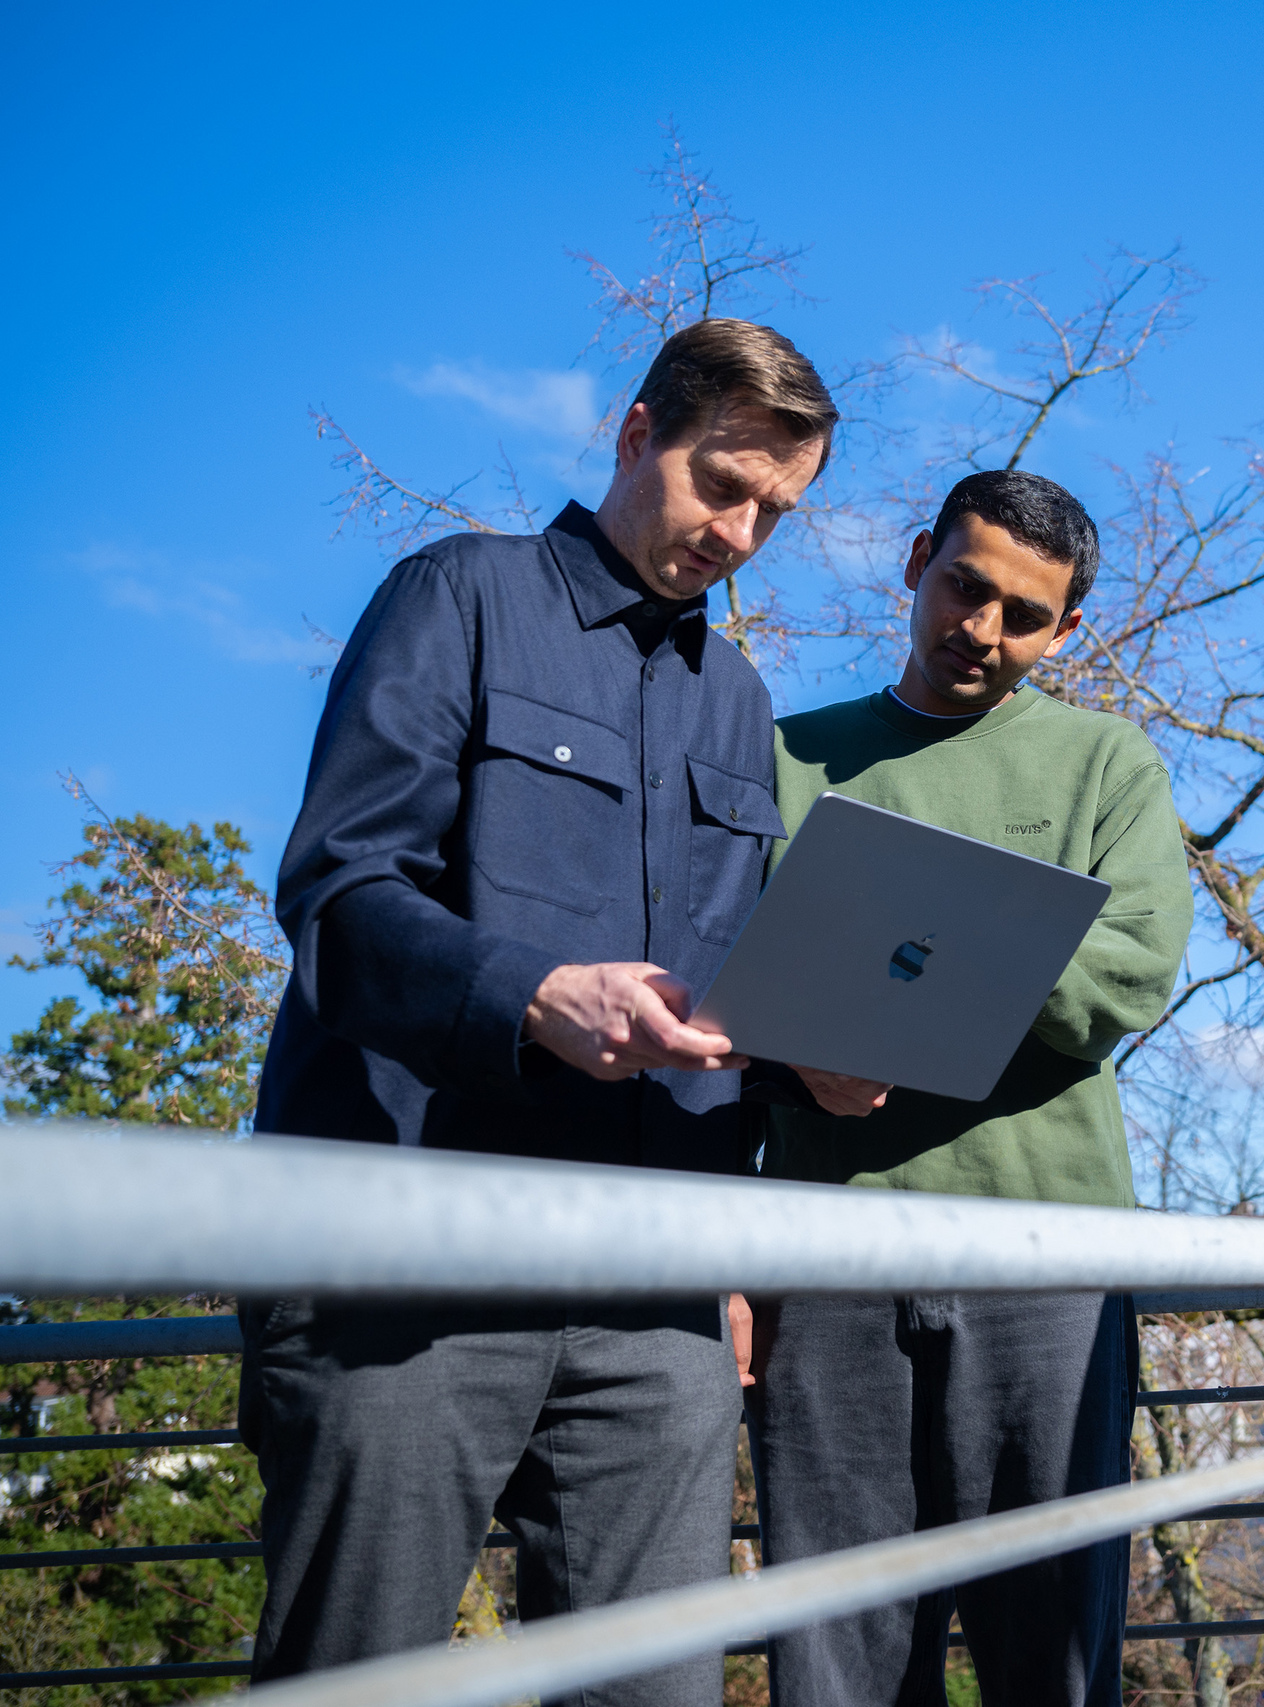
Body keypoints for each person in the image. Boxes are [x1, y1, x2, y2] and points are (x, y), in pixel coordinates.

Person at [244, 318, 836, 1701]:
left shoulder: (740, 701)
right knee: (359, 1681)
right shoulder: (454, 594)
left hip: (653, 1299)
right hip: (402, 1264)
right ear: (639, 435)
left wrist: (810, 1076)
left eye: (776, 511)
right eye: (721, 485)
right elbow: (338, 892)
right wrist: (528, 992)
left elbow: (721, 998)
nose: (742, 534)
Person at [744, 469, 1192, 1707]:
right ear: (914, 563)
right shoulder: (784, 758)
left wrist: (902, 952)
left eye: (1024, 616)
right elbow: (728, 983)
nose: (982, 632)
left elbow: (1129, 976)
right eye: (964, 587)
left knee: (1052, 1648)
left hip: (1046, 1257)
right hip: (827, 1260)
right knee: (836, 1654)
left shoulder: (1109, 765)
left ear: (1067, 631)